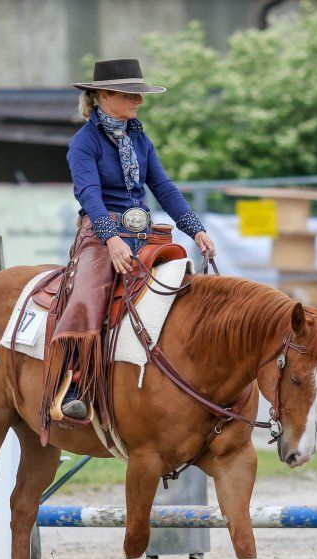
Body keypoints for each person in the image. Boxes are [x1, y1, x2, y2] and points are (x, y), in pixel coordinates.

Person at [48, 58, 216, 423]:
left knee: (185, 285)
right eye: (130, 94)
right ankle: (73, 383)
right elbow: (89, 195)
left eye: (139, 94)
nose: (138, 100)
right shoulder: (83, 143)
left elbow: (164, 188)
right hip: (99, 233)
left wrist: (196, 229)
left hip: (145, 234)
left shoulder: (140, 137)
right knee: (89, 291)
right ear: (104, 96)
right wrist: (110, 239)